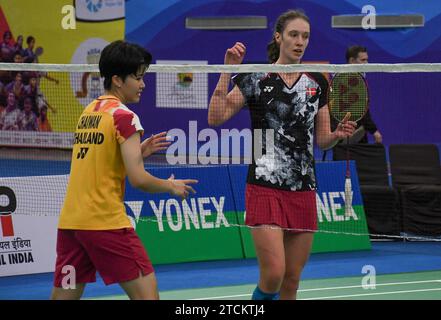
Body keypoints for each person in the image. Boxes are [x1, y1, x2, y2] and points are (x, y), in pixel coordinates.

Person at [208, 9, 356, 300]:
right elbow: (216, 116)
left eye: (305, 36)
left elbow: (322, 139)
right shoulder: (254, 77)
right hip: (263, 184)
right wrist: (228, 69)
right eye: (293, 34)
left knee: (291, 280)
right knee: (273, 273)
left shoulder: (318, 82)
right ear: (278, 37)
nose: (300, 41)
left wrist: (336, 136)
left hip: (303, 186)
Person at [50, 40, 198, 300]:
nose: (142, 84)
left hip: (73, 225)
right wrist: (170, 186)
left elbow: (100, 161)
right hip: (106, 223)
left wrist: (138, 152)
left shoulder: (89, 112)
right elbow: (138, 179)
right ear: (117, 80)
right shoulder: (124, 116)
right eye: (137, 78)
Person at [332, 46, 382, 144]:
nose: (367, 63)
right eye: (363, 60)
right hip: (347, 134)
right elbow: (362, 111)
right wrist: (375, 131)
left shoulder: (356, 78)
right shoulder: (349, 81)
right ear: (352, 61)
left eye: (367, 60)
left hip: (356, 132)